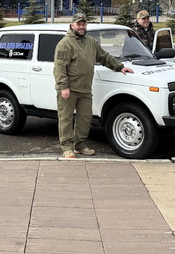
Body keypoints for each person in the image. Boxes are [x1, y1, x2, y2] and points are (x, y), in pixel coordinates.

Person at [54, 13, 134, 158]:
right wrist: (63, 86)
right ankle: (67, 148)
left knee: (85, 119)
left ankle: (80, 146)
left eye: (84, 24)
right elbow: (60, 68)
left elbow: (104, 56)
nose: (81, 27)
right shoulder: (65, 44)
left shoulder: (90, 42)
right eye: (79, 24)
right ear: (72, 25)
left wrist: (120, 67)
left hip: (85, 89)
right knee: (66, 119)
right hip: (69, 89)